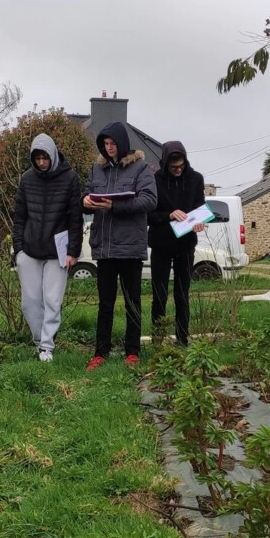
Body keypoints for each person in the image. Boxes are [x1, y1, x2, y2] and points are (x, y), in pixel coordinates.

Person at [83, 121, 157, 370]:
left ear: (122, 144)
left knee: (132, 302)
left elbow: (149, 200)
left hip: (130, 248)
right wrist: (86, 201)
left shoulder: (140, 168)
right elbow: (87, 194)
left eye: (113, 143)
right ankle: (100, 352)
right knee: (105, 304)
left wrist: (115, 206)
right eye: (105, 144)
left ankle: (132, 352)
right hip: (104, 248)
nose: (109, 148)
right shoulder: (97, 170)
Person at [12, 133, 83, 361]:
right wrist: (18, 249)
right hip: (29, 249)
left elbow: (75, 218)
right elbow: (19, 216)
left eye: (45, 157)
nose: (41, 162)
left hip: (57, 251)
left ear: (52, 155)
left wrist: (73, 250)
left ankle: (46, 346)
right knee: (29, 302)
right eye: (37, 158)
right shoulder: (27, 179)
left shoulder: (70, 178)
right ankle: (37, 339)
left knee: (52, 300)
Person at [147, 141, 206, 347]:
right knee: (159, 294)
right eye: (173, 168)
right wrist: (169, 215)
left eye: (181, 166)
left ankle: (182, 340)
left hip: (186, 244)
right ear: (165, 164)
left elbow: (200, 209)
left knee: (182, 294)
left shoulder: (196, 179)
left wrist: (199, 223)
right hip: (161, 244)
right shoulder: (154, 181)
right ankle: (157, 339)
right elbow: (148, 216)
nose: (178, 170)